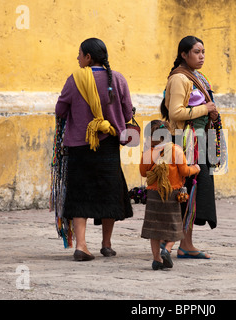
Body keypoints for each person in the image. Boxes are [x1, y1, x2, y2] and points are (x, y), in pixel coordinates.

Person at [54, 38, 134, 261]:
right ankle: (106, 244)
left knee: (80, 195)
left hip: (80, 146)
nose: (77, 58)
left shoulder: (75, 79)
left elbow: (60, 109)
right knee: (109, 194)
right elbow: (128, 114)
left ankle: (81, 245)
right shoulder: (117, 79)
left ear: (88, 57)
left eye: (79, 54)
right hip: (108, 146)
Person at [160, 35, 221, 259]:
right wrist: (205, 109)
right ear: (184, 54)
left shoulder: (198, 77)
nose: (201, 56)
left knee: (194, 192)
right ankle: (171, 243)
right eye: (196, 52)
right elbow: (176, 113)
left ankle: (186, 244)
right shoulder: (179, 78)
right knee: (184, 192)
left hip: (199, 142)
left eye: (203, 51)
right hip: (184, 143)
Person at [139, 120, 200, 270]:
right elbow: (185, 171)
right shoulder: (176, 150)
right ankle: (167, 250)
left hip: (153, 195)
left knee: (154, 229)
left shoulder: (149, 153)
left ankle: (156, 259)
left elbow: (142, 172)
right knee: (175, 227)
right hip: (172, 194)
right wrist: (195, 169)